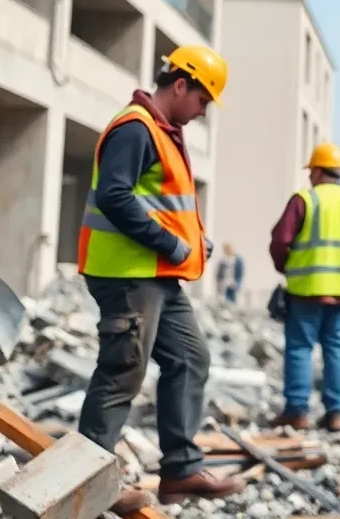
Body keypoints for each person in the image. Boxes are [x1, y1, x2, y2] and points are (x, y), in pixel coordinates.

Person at [76, 45, 247, 512]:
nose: (203, 111)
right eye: (203, 100)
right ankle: (88, 482)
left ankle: (180, 471)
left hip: (157, 276)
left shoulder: (164, 133)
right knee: (121, 373)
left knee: (191, 359)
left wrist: (195, 238)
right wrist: (173, 244)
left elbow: (161, 202)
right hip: (128, 274)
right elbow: (115, 195)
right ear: (180, 85)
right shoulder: (136, 128)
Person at [268, 142, 340, 432]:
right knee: (337, 347)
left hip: (307, 288)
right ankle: (337, 413)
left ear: (317, 171)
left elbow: (281, 241)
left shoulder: (305, 200)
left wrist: (285, 266)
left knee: (300, 347)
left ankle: (297, 411)